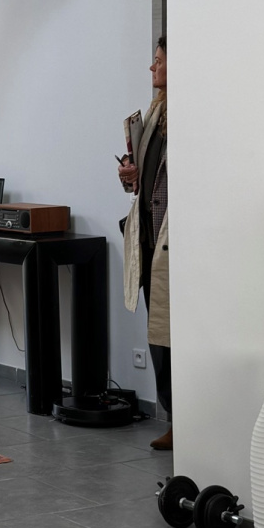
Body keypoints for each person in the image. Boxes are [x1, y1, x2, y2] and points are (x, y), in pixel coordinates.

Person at [120, 36, 170, 450]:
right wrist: (129, 176)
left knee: (173, 338)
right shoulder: (154, 115)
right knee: (158, 337)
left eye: (158, 61)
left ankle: (189, 424)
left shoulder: (193, 116)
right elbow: (141, 185)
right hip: (151, 243)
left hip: (177, 246)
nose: (152, 68)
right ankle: (175, 419)